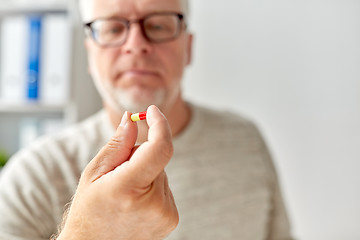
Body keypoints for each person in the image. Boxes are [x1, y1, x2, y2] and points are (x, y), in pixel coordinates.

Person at [0, 0, 294, 239]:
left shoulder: (245, 142)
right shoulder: (31, 176)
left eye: (157, 25)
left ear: (188, 47)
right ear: (90, 53)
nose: (136, 44)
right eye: (114, 28)